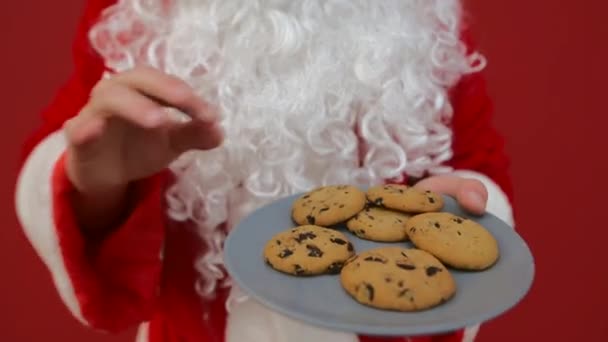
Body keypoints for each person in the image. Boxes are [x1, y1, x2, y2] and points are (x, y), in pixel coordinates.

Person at [15, 1, 515, 341]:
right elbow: (69, 162)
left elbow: (478, 174)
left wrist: (463, 216)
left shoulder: (422, 19)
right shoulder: (133, 14)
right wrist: (95, 183)